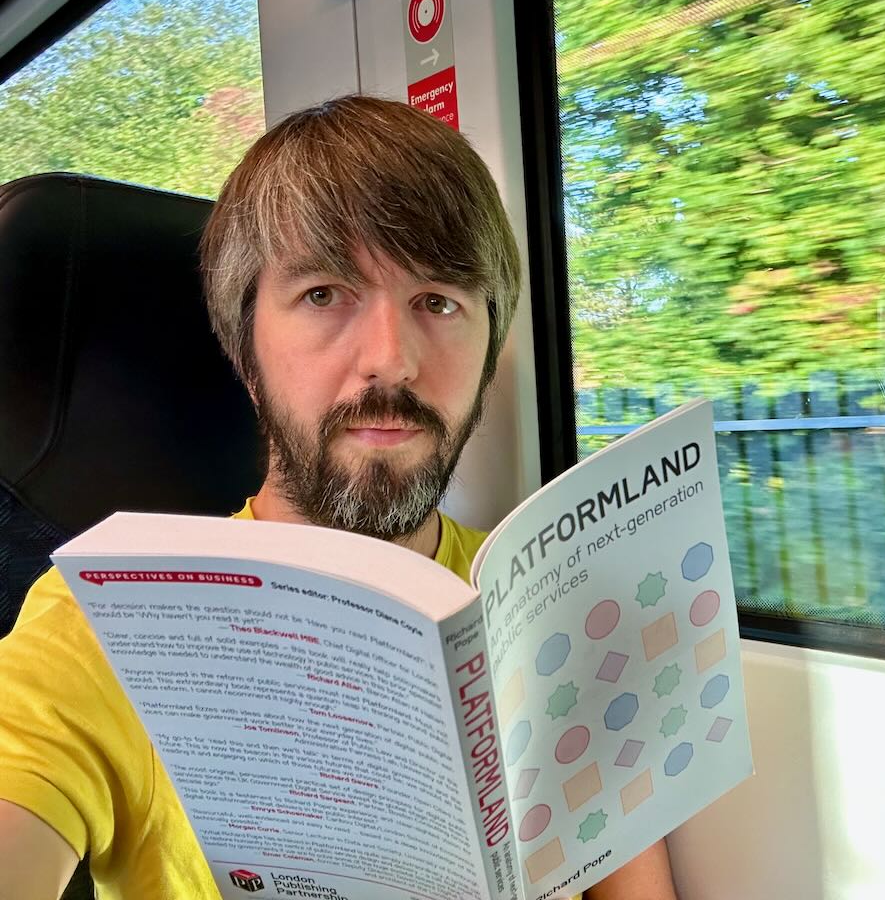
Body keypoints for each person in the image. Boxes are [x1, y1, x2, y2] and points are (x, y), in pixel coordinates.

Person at [0, 95, 679, 900]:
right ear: (244, 349)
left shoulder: (559, 606)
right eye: (324, 293)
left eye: (439, 301)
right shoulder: (105, 624)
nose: (391, 362)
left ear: (489, 349)